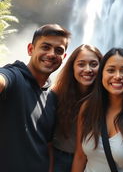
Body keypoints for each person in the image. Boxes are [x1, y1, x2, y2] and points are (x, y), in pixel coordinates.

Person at [0, 24, 71, 172]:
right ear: (30, 49)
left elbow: (48, 145)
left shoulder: (52, 98)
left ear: (63, 57)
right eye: (45, 47)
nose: (51, 54)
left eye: (58, 50)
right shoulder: (14, 77)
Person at [52, 44, 102, 172]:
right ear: (72, 67)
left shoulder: (106, 99)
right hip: (58, 158)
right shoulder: (57, 95)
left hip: (93, 162)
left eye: (94, 64)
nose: (88, 69)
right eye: (81, 64)